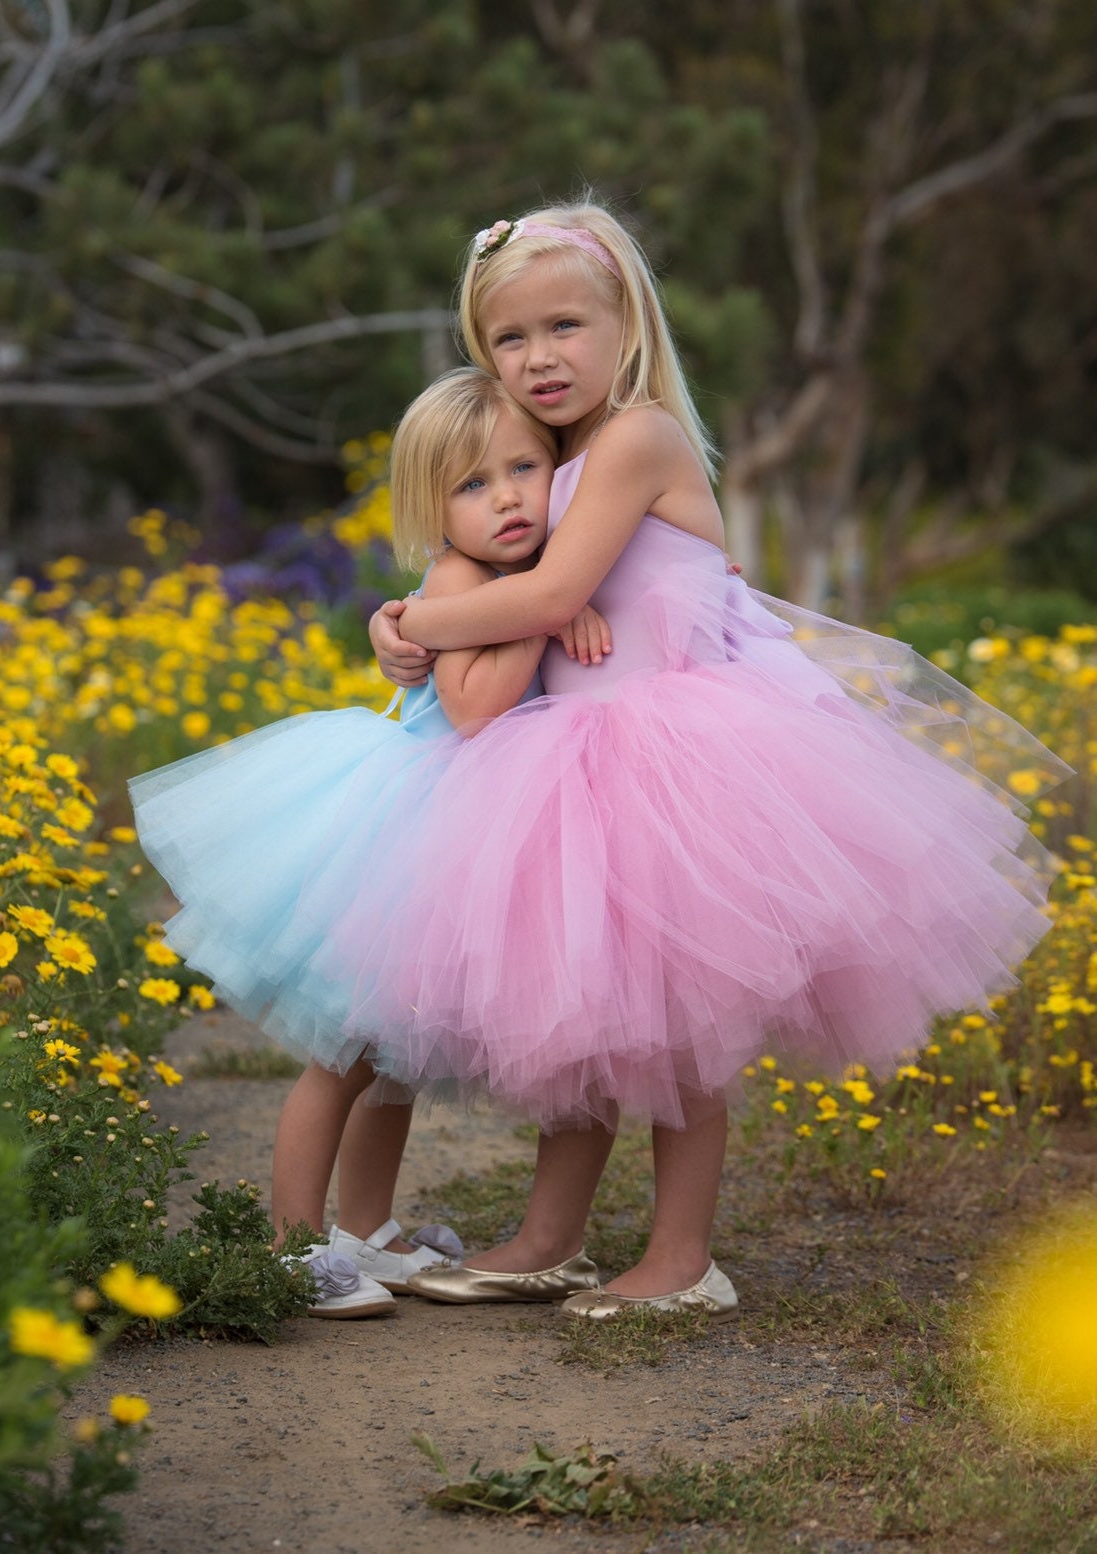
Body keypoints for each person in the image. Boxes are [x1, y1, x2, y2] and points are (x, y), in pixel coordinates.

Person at [358, 199, 1070, 1320]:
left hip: (679, 759)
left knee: (682, 1031)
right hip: (570, 764)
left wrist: (398, 618)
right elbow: (520, 595)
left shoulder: (636, 437)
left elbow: (542, 596)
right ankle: (549, 1235)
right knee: (589, 1011)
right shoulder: (545, 458)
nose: (539, 358)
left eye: (564, 326)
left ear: (625, 321)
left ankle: (682, 1259)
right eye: (508, 339)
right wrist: (436, 622)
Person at [130, 367, 586, 1316]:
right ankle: (293, 1244)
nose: (505, 497)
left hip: (465, 839)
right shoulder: (467, 580)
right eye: (471, 484)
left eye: (524, 469)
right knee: (343, 1053)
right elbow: (470, 708)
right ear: (432, 510)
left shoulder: (516, 577)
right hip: (406, 839)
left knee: (396, 1056)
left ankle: (366, 1230)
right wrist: (547, 606)